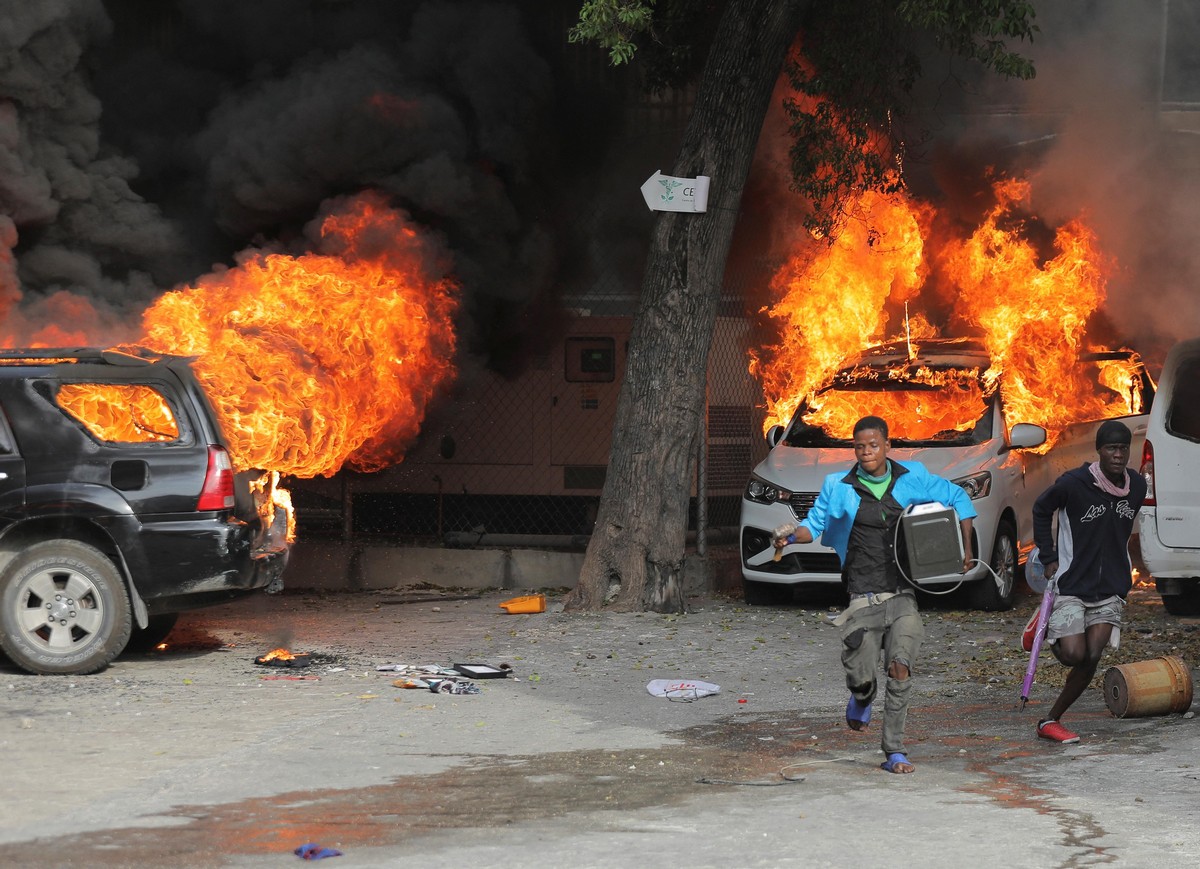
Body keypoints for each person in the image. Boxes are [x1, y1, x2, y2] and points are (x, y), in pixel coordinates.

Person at [773, 415, 976, 774]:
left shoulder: (911, 476)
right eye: (859, 446)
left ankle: (895, 750)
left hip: (902, 594)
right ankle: (862, 696)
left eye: (873, 445)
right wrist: (788, 537)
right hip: (861, 594)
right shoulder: (838, 485)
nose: (866, 452)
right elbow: (814, 526)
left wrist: (966, 548)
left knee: (900, 668)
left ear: (886, 446)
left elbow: (958, 496)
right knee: (863, 678)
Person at [1026, 419, 1147, 745]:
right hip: (1072, 585)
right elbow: (1041, 508)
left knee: (1093, 655)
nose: (1118, 455)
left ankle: (1050, 720)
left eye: (1123, 448)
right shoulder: (1074, 483)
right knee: (1073, 654)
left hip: (1110, 589)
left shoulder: (1136, 486)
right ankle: (1049, 627)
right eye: (1111, 448)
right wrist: (1049, 557)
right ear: (1099, 451)